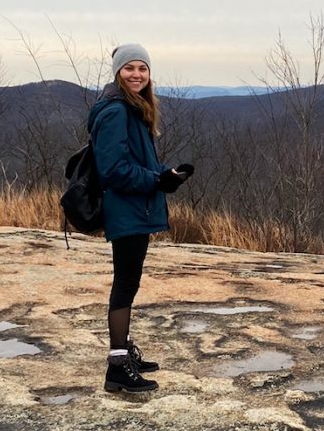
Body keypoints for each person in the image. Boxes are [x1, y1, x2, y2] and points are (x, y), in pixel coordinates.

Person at [87, 43, 193, 393]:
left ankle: (125, 350)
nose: (137, 74)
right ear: (118, 72)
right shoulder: (117, 111)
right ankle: (117, 366)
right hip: (126, 209)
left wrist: (167, 175)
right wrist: (155, 181)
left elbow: (140, 163)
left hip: (135, 208)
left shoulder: (134, 109)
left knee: (128, 282)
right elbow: (113, 171)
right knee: (125, 283)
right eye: (129, 68)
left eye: (142, 69)